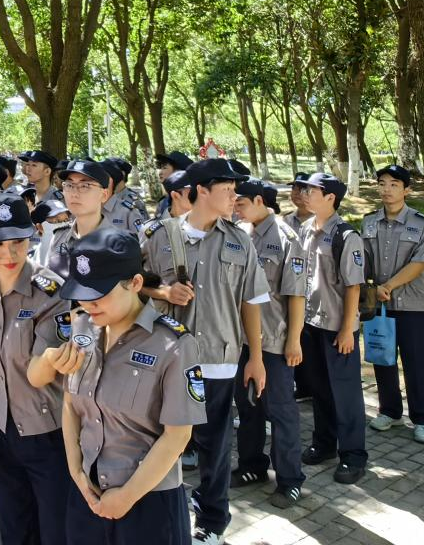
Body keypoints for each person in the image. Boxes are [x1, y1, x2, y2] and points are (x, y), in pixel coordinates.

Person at [138, 158, 269, 545]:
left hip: (217, 359)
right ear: (202, 191)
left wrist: (256, 358)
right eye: (227, 190)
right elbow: (133, 283)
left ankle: (212, 518)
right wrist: (163, 291)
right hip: (164, 358)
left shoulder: (240, 240)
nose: (234, 197)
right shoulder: (158, 235)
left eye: (235, 190)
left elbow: (251, 301)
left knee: (215, 443)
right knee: (161, 439)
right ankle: (161, 511)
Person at [60, 229, 206, 544]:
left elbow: (178, 435)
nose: (88, 303)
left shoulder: (174, 344)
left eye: (99, 293)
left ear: (135, 283)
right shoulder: (83, 327)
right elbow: (71, 404)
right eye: (82, 293)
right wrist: (76, 472)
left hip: (148, 502)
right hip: (86, 495)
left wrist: (126, 496)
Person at [0, 193, 76, 545]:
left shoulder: (50, 292)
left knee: (56, 532)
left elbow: (41, 373)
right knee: (14, 530)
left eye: (18, 242)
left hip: (48, 432)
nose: (9, 254)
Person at [230, 178, 307, 508]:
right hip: (241, 339)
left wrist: (294, 341)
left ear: (259, 201)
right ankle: (252, 465)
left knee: (280, 410)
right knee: (247, 406)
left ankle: (289, 479)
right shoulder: (239, 234)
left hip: (274, 341)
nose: (235, 207)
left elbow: (297, 295)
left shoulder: (287, 239)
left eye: (241, 202)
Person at [295, 172, 368, 484]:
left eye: (313, 191)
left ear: (330, 198)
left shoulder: (346, 236)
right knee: (320, 389)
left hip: (338, 326)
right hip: (311, 323)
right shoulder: (305, 230)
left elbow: (353, 287)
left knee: (345, 393)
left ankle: (353, 455)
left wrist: (348, 330)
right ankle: (324, 443)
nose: (305, 194)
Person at [365, 164, 424, 445]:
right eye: (382, 183)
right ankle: (389, 411)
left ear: (407, 190)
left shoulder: (422, 224)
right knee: (382, 357)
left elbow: (421, 262)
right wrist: (371, 289)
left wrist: (388, 286)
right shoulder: (369, 222)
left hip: (413, 305)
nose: (387, 189)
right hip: (379, 303)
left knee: (416, 363)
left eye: (394, 184)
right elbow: (363, 261)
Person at [47, 160, 115, 278]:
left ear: (104, 195)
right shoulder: (59, 237)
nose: (74, 193)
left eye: (85, 186)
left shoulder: (118, 244)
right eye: (69, 185)